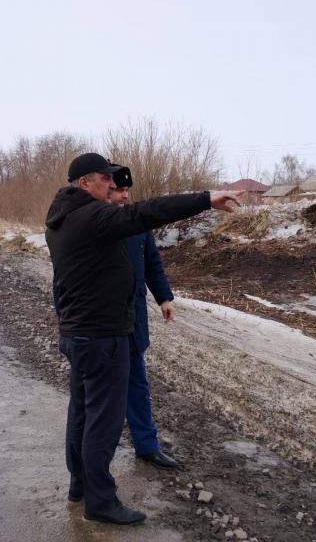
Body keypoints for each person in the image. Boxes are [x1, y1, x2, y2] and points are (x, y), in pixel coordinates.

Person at [45, 152, 240, 525]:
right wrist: (204, 199)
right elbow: (146, 213)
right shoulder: (92, 216)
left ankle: (80, 486)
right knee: (103, 422)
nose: (112, 186)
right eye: (105, 179)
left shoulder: (62, 218)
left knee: (81, 414)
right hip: (103, 336)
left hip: (80, 334)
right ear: (85, 183)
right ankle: (101, 502)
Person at [108, 166, 179, 470]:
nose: (124, 196)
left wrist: (163, 297)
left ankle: (146, 446)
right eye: (118, 190)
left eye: (127, 190)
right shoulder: (91, 224)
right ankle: (97, 454)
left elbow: (151, 261)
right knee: (101, 390)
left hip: (134, 316)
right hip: (103, 322)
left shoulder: (137, 222)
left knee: (137, 381)